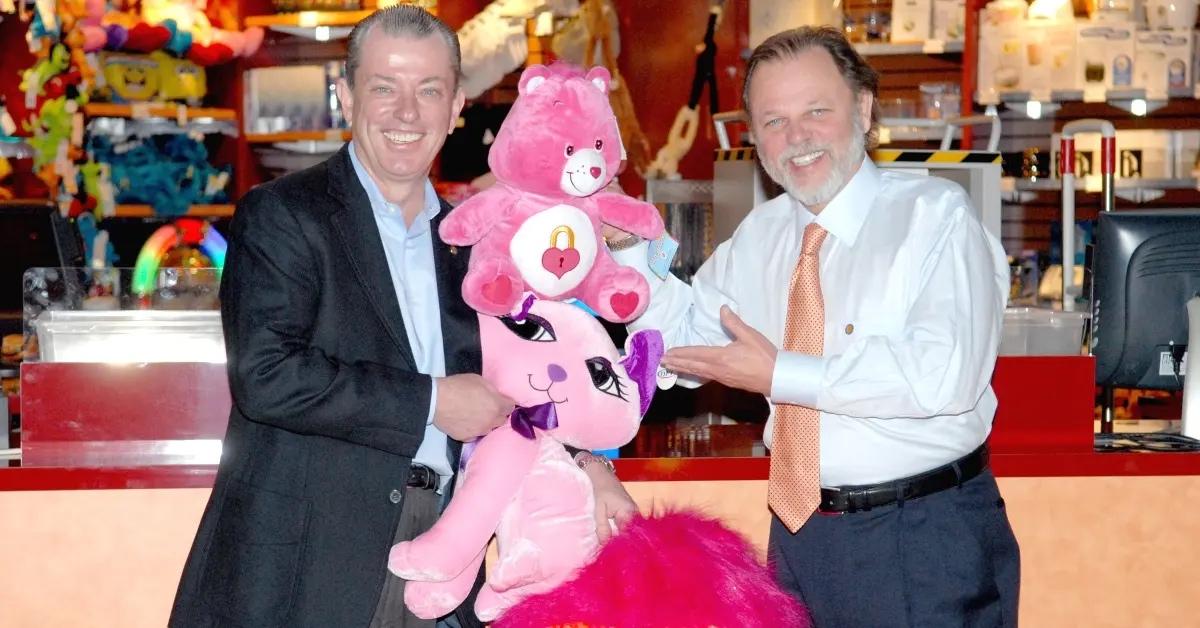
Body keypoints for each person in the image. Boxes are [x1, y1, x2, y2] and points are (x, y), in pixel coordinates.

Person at [168, 7, 636, 627]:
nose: (406, 112)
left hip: (443, 551)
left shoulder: (479, 242)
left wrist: (591, 464)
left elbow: (544, 370)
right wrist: (429, 402)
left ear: (457, 105)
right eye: (384, 87)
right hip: (309, 560)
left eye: (429, 91)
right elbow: (266, 375)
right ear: (345, 96)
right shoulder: (283, 214)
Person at [606, 26, 1020, 627]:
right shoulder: (761, 235)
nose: (795, 137)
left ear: (865, 107)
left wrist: (780, 373)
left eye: (816, 111)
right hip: (801, 537)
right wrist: (625, 253)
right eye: (773, 121)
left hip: (924, 534)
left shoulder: (935, 219)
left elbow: (943, 376)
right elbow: (682, 345)